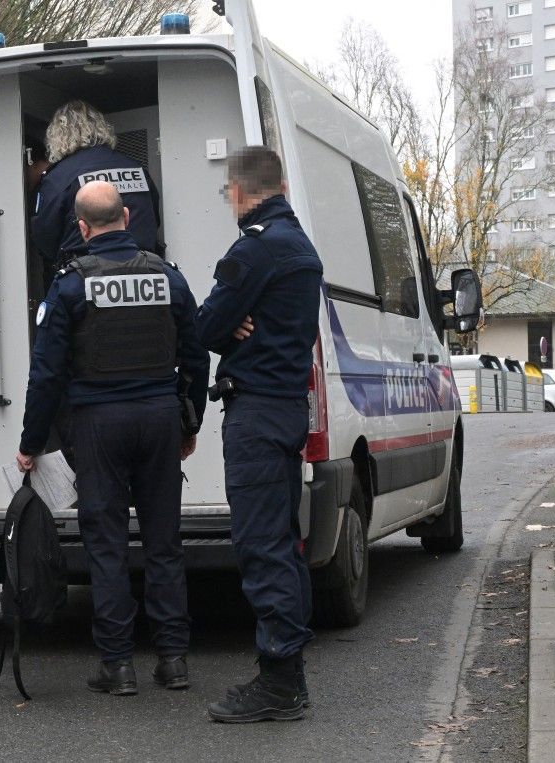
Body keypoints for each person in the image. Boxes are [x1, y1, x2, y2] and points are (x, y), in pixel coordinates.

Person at [15, 180, 209, 695]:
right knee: (164, 543)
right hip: (159, 417)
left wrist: (32, 442)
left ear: (82, 227)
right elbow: (195, 355)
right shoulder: (168, 278)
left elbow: (47, 374)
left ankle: (118, 665)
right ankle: (173, 660)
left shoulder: (72, 285)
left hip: (99, 425)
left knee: (107, 545)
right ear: (126, 216)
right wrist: (190, 423)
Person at [195, 146, 324, 723]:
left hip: (256, 414)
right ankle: (288, 662)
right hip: (287, 406)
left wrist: (230, 327)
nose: (229, 202)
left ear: (241, 191)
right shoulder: (300, 246)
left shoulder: (255, 249)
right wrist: (236, 324)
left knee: (260, 543)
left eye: (228, 193)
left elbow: (205, 326)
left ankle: (279, 681)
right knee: (283, 541)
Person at [30, 100, 162, 266]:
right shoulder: (136, 168)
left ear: (57, 136)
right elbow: (154, 217)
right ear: (101, 128)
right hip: (144, 271)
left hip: (85, 277)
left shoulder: (57, 178)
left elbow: (44, 238)